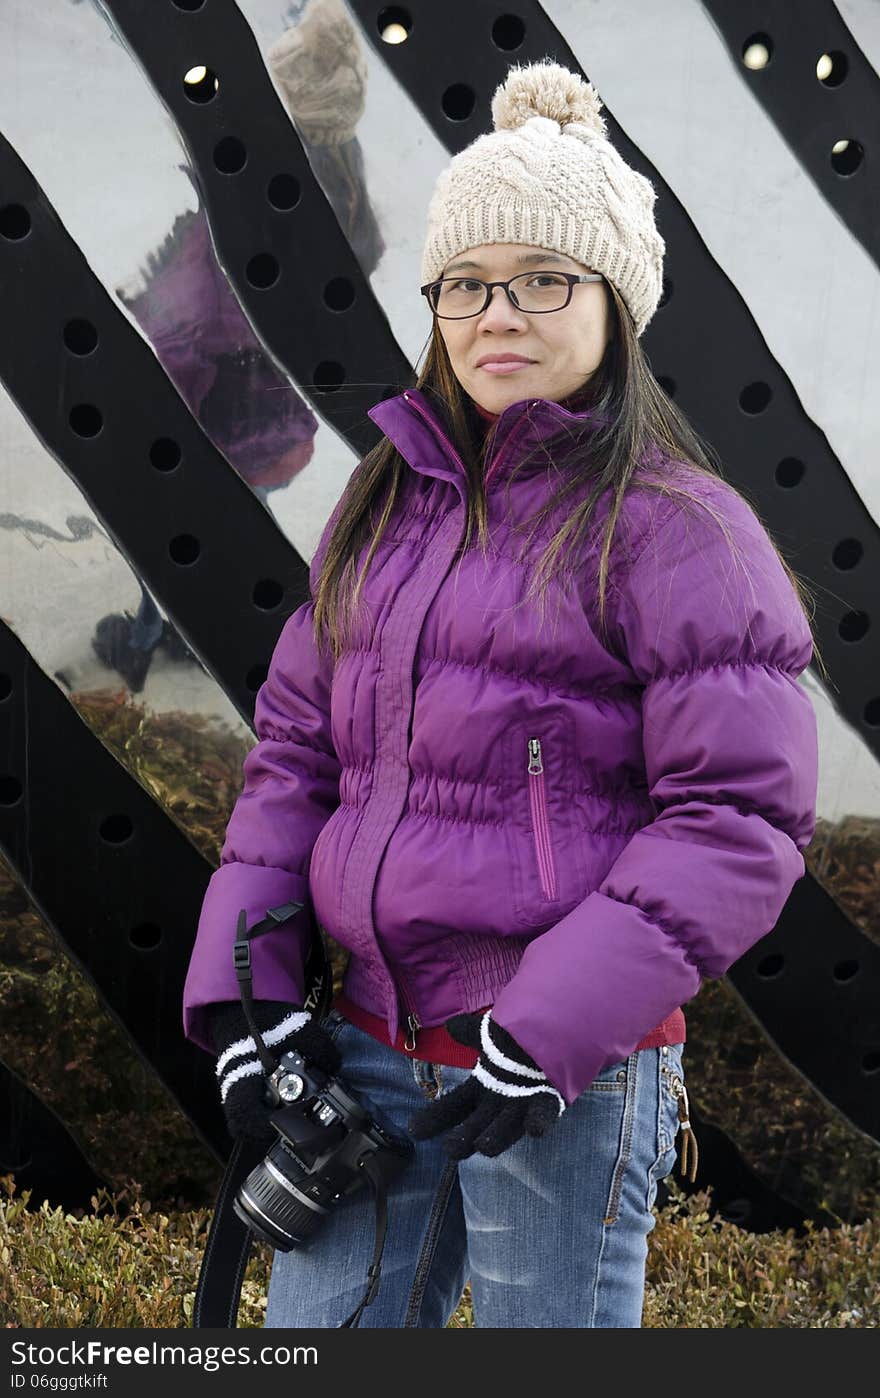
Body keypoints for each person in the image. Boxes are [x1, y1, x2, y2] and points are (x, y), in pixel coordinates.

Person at [181, 59, 820, 1328]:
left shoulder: (680, 531)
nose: (499, 314)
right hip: (357, 1047)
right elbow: (294, 767)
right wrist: (247, 1004)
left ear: (615, 305)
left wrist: (545, 1031)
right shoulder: (382, 504)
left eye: (543, 281)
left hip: (563, 1078)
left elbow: (739, 821)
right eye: (467, 284)